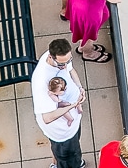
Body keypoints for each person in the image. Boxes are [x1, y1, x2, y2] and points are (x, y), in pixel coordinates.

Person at [32, 39, 86, 168]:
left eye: (69, 60)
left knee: (68, 152)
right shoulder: (41, 82)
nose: (66, 65)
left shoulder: (60, 58)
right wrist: (72, 105)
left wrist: (80, 88)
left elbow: (71, 70)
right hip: (62, 132)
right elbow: (47, 118)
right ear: (51, 57)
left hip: (72, 124)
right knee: (68, 157)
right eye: (62, 64)